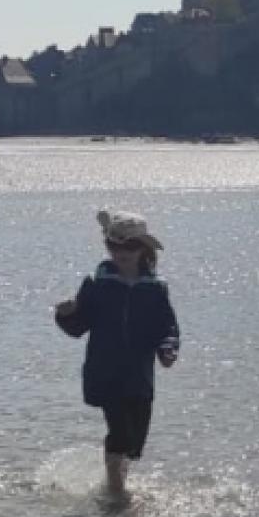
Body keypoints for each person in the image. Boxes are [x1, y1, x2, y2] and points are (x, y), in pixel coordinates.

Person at [54, 211, 181, 502]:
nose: (122, 253)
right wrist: (66, 314)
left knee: (135, 443)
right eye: (115, 246)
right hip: (104, 371)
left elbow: (167, 326)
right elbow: (78, 327)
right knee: (120, 432)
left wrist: (168, 348)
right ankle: (115, 491)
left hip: (140, 375)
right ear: (107, 247)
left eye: (130, 247)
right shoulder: (97, 284)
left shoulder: (156, 288)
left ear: (143, 249)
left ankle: (115, 480)